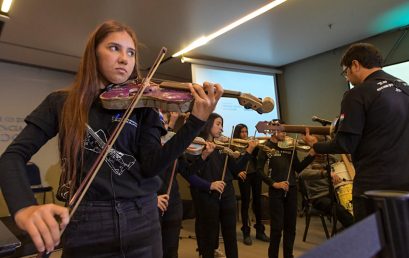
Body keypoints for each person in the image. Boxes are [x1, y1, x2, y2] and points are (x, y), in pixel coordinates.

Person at [0, 20, 223, 257]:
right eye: (114, 48)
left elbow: (152, 166)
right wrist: (24, 207)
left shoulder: (143, 104)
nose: (124, 59)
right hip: (87, 221)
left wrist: (196, 122)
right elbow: (12, 156)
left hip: (142, 217)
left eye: (131, 52)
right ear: (93, 53)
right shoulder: (61, 102)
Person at [304, 43, 409, 222]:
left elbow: (345, 143)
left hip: (375, 187)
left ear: (355, 65)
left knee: (372, 245)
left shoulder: (357, 94)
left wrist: (315, 145)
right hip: (405, 183)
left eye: (345, 71)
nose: (347, 76)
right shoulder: (405, 88)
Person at [187, 113, 257, 258]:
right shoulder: (196, 145)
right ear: (208, 124)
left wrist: (248, 152)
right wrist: (209, 183)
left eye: (222, 124)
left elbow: (236, 169)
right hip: (207, 195)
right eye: (218, 124)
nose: (222, 128)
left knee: (230, 235)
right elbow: (190, 173)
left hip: (227, 193)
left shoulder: (222, 147)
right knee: (209, 237)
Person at [257, 120, 315, 258]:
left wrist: (311, 154)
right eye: (282, 130)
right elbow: (259, 170)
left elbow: (299, 168)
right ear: (273, 131)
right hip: (276, 190)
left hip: (291, 189)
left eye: (285, 131)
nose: (284, 133)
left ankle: (289, 255)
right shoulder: (266, 147)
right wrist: (273, 184)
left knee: (291, 228)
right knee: (277, 229)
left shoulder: (290, 147)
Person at [232, 124, 269, 245]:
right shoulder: (234, 145)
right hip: (245, 175)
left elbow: (257, 156)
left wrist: (255, 146)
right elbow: (235, 162)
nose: (244, 134)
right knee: (246, 202)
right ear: (237, 133)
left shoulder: (251, 142)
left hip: (255, 174)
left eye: (246, 131)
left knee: (257, 202)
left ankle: (260, 231)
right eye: (242, 132)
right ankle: (246, 232)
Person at [299, 154, 354, 229]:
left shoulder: (331, 158)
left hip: (333, 193)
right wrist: (325, 173)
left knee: (354, 203)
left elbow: (340, 165)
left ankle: (350, 229)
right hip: (318, 197)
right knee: (339, 210)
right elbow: (302, 173)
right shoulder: (308, 161)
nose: (323, 155)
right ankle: (356, 230)